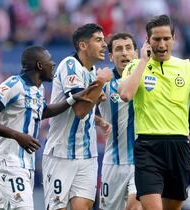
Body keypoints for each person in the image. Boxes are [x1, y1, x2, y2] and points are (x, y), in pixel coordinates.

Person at [118, 14, 190, 210]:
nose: (162, 43)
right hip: (148, 146)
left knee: (173, 207)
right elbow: (125, 94)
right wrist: (142, 61)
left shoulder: (187, 67)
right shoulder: (135, 66)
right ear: (148, 41)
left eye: (166, 38)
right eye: (156, 39)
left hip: (179, 147)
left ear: (174, 39)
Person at [0, 45, 99, 210]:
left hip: (26, 164)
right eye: (49, 60)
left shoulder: (38, 89)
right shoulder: (13, 85)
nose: (53, 63)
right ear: (40, 65)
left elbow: (44, 111)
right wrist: (17, 135)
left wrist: (71, 100)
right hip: (8, 162)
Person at [42, 23, 112, 210]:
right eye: (98, 40)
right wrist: (101, 82)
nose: (104, 45)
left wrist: (98, 120)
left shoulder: (90, 72)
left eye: (104, 40)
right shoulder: (70, 65)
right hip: (61, 154)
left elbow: (86, 110)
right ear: (83, 45)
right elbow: (80, 111)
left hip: (87, 155)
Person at [98, 32, 142, 210]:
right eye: (118, 49)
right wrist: (99, 121)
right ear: (110, 56)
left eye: (128, 48)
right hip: (113, 163)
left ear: (136, 53)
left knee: (135, 206)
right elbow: (81, 111)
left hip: (141, 161)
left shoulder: (149, 80)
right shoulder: (104, 82)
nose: (124, 53)